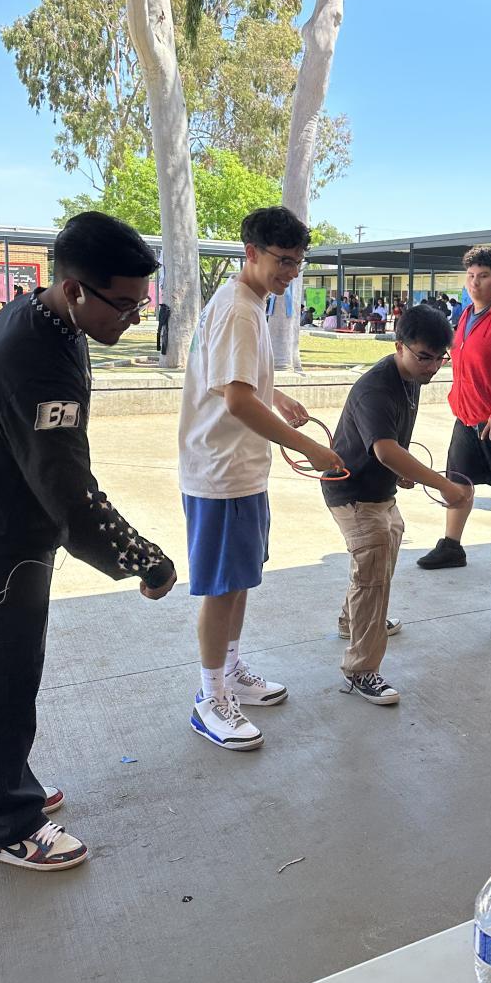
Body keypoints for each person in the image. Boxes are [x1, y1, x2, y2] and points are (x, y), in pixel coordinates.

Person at [0, 213, 177, 872]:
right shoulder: (36, 359)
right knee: (4, 674)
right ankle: (7, 822)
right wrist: (143, 559)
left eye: (141, 303)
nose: (134, 318)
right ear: (73, 289)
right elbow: (69, 494)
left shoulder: (39, 316)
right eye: (122, 305)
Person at [178, 206, 345, 752]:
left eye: (298, 262)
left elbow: (236, 381)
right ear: (251, 252)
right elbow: (236, 401)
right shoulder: (240, 310)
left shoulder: (248, 302)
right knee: (221, 587)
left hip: (241, 471)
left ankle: (229, 672)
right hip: (220, 471)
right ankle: (210, 698)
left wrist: (277, 395)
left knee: (240, 578)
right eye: (283, 260)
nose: (291, 272)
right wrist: (308, 447)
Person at [322, 306, 469, 705]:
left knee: (387, 545)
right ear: (399, 346)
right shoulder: (376, 387)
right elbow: (386, 450)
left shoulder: (412, 377)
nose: (433, 367)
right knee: (373, 569)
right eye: (424, 357)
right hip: (352, 491)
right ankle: (360, 670)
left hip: (380, 489)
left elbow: (391, 449)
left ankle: (353, 619)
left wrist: (403, 473)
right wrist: (443, 486)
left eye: (440, 358)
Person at [416, 245, 491, 571]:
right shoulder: (468, 313)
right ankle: (451, 545)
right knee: (459, 481)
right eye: (470, 276)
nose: (474, 283)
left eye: (483, 276)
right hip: (467, 416)